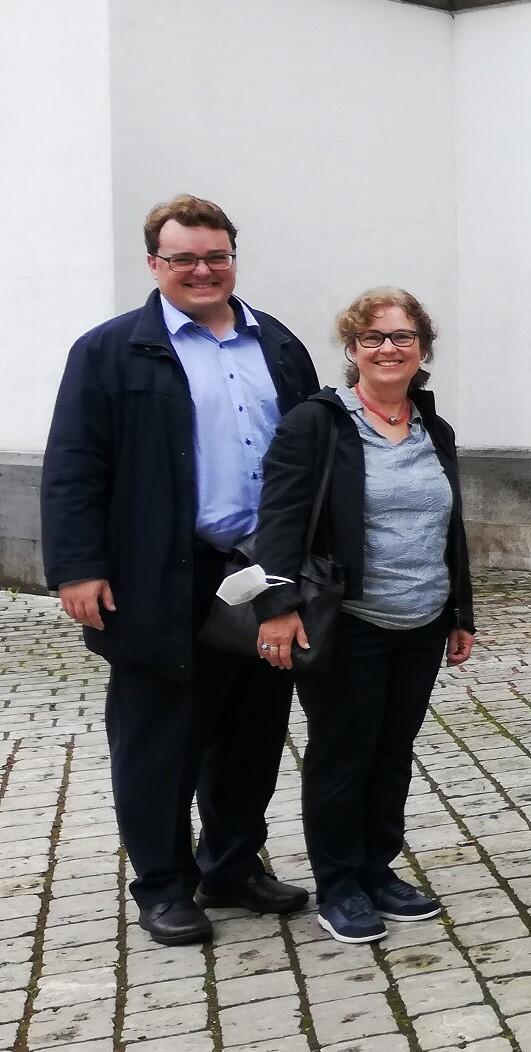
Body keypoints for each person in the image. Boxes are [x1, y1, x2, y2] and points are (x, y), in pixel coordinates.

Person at [40, 195, 317, 945]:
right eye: (184, 257)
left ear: (234, 256)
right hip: (158, 576)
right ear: (154, 263)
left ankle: (231, 864)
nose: (203, 270)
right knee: (160, 739)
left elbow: (313, 458)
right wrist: (75, 567)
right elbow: (74, 466)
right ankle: (164, 884)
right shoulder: (109, 351)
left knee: (253, 731)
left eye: (216, 255)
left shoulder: (281, 345)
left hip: (263, 575)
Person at [251, 288, 477, 943]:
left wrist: (460, 610)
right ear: (352, 350)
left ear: (422, 349)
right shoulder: (316, 423)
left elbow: (449, 527)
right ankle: (340, 884)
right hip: (347, 621)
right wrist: (278, 607)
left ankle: (378, 869)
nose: (388, 348)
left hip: (422, 623)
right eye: (373, 338)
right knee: (341, 755)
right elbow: (280, 521)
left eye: (402, 337)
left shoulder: (435, 429)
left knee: (391, 753)